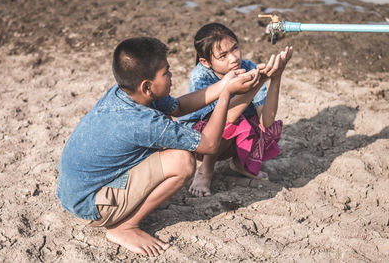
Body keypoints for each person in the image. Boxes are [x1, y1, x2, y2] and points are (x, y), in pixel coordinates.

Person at [56, 37, 266, 257]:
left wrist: (224, 83)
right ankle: (124, 226)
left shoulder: (125, 93)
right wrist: (226, 94)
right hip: (92, 205)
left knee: (170, 137)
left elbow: (179, 107)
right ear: (147, 86)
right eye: (166, 72)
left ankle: (124, 217)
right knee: (183, 162)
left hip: (74, 191)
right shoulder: (144, 122)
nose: (171, 75)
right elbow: (210, 145)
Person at [179, 23, 293, 197]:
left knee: (263, 126)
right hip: (201, 139)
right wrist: (258, 82)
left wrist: (276, 78)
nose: (233, 58)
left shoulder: (248, 67)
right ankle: (205, 170)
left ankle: (240, 164)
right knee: (231, 120)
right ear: (206, 62)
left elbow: (267, 121)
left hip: (233, 132)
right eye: (223, 55)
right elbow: (222, 118)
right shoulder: (201, 76)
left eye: (235, 48)